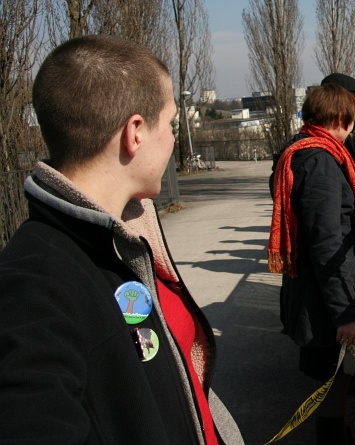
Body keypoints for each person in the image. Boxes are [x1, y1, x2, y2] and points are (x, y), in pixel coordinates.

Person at [0, 35, 243, 444]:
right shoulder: (34, 286)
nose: (172, 137)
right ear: (136, 133)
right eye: (169, 123)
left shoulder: (124, 234)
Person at [268, 84, 355, 444]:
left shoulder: (302, 148)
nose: (354, 126)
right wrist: (345, 315)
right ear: (341, 118)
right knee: (332, 378)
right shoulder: (321, 163)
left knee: (333, 376)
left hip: (315, 292)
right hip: (323, 301)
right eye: (353, 118)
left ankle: (336, 436)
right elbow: (329, 244)